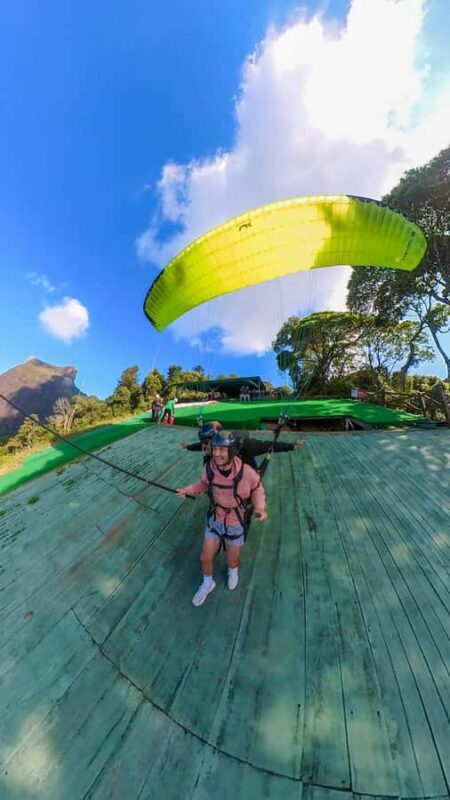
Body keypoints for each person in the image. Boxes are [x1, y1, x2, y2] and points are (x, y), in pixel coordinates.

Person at [176, 431, 267, 606]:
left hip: (235, 520)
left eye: (222, 450)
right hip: (216, 518)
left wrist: (260, 507)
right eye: (215, 449)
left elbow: (257, 488)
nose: (216, 454)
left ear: (232, 451)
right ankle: (208, 583)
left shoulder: (246, 472)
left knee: (232, 559)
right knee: (205, 556)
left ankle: (233, 571)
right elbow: (203, 484)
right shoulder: (209, 468)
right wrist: (188, 490)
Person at [181, 421, 305, 470]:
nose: (204, 447)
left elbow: (268, 445)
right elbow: (200, 446)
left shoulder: (244, 446)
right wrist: (188, 447)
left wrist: (292, 446)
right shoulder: (208, 449)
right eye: (203, 443)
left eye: (206, 442)